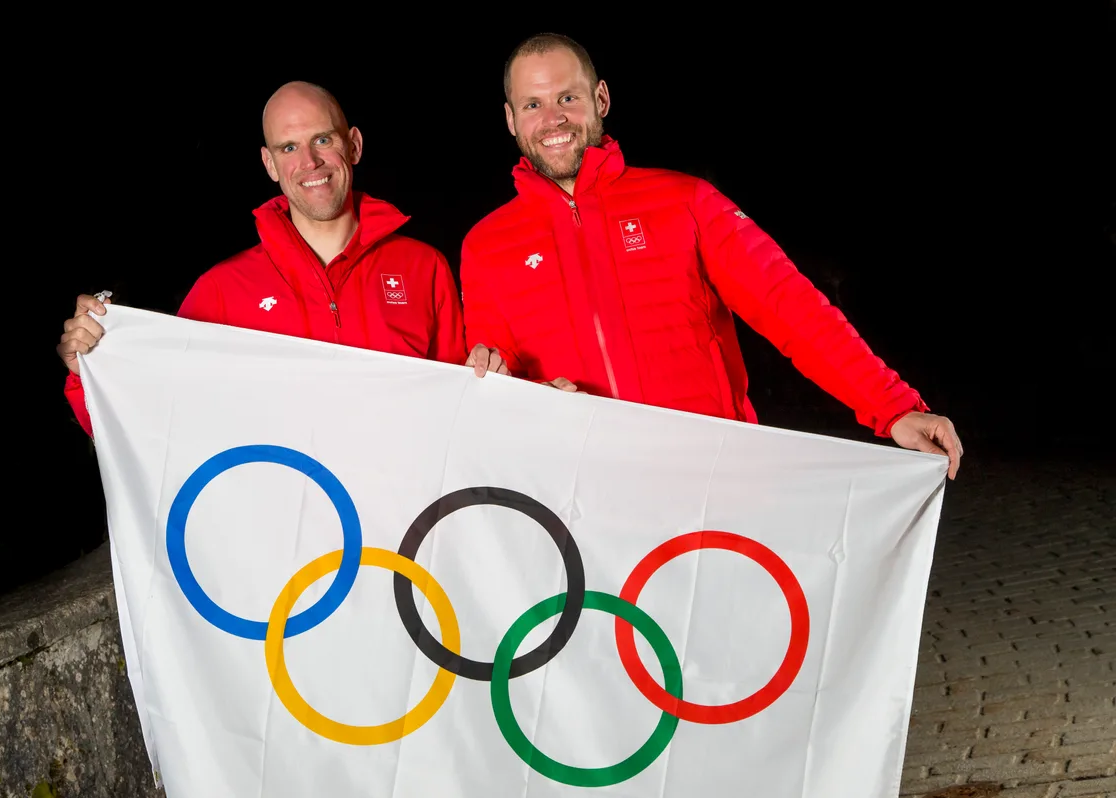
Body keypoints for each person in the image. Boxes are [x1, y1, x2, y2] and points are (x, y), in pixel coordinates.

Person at [461, 33, 963, 479]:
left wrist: (894, 408)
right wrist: (520, 395)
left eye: (567, 97)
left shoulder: (686, 202)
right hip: (583, 490)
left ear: (601, 98)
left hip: (713, 478)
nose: (553, 118)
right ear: (510, 118)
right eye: (532, 104)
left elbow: (792, 308)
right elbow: (494, 377)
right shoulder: (486, 246)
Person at [58, 81, 466, 437]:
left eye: (323, 140)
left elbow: (460, 412)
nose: (310, 162)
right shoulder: (221, 291)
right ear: (270, 164)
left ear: (354, 145)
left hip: (401, 501)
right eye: (289, 147)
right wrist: (90, 369)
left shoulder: (424, 269)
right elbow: (157, 423)